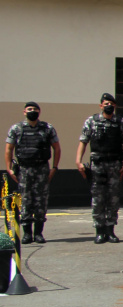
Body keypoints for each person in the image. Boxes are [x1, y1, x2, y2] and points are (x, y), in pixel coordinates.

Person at [76, 93, 123, 244]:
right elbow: (83, 141)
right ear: (101, 105)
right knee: (98, 198)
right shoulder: (91, 121)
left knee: (113, 198)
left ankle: (110, 231)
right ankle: (99, 231)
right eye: (106, 103)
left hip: (114, 164)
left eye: (112, 104)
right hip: (97, 165)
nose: (109, 106)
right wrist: (78, 161)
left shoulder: (120, 122)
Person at [5, 102, 61, 244]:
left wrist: (54, 167)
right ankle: (27, 234)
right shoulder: (16, 128)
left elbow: (56, 148)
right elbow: (9, 149)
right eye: (30, 109)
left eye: (35, 109)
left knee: (41, 201)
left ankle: (38, 233)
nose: (32, 111)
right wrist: (9, 168)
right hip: (24, 169)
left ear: (39, 112)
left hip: (42, 169)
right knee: (26, 201)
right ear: (24, 112)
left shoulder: (47, 128)